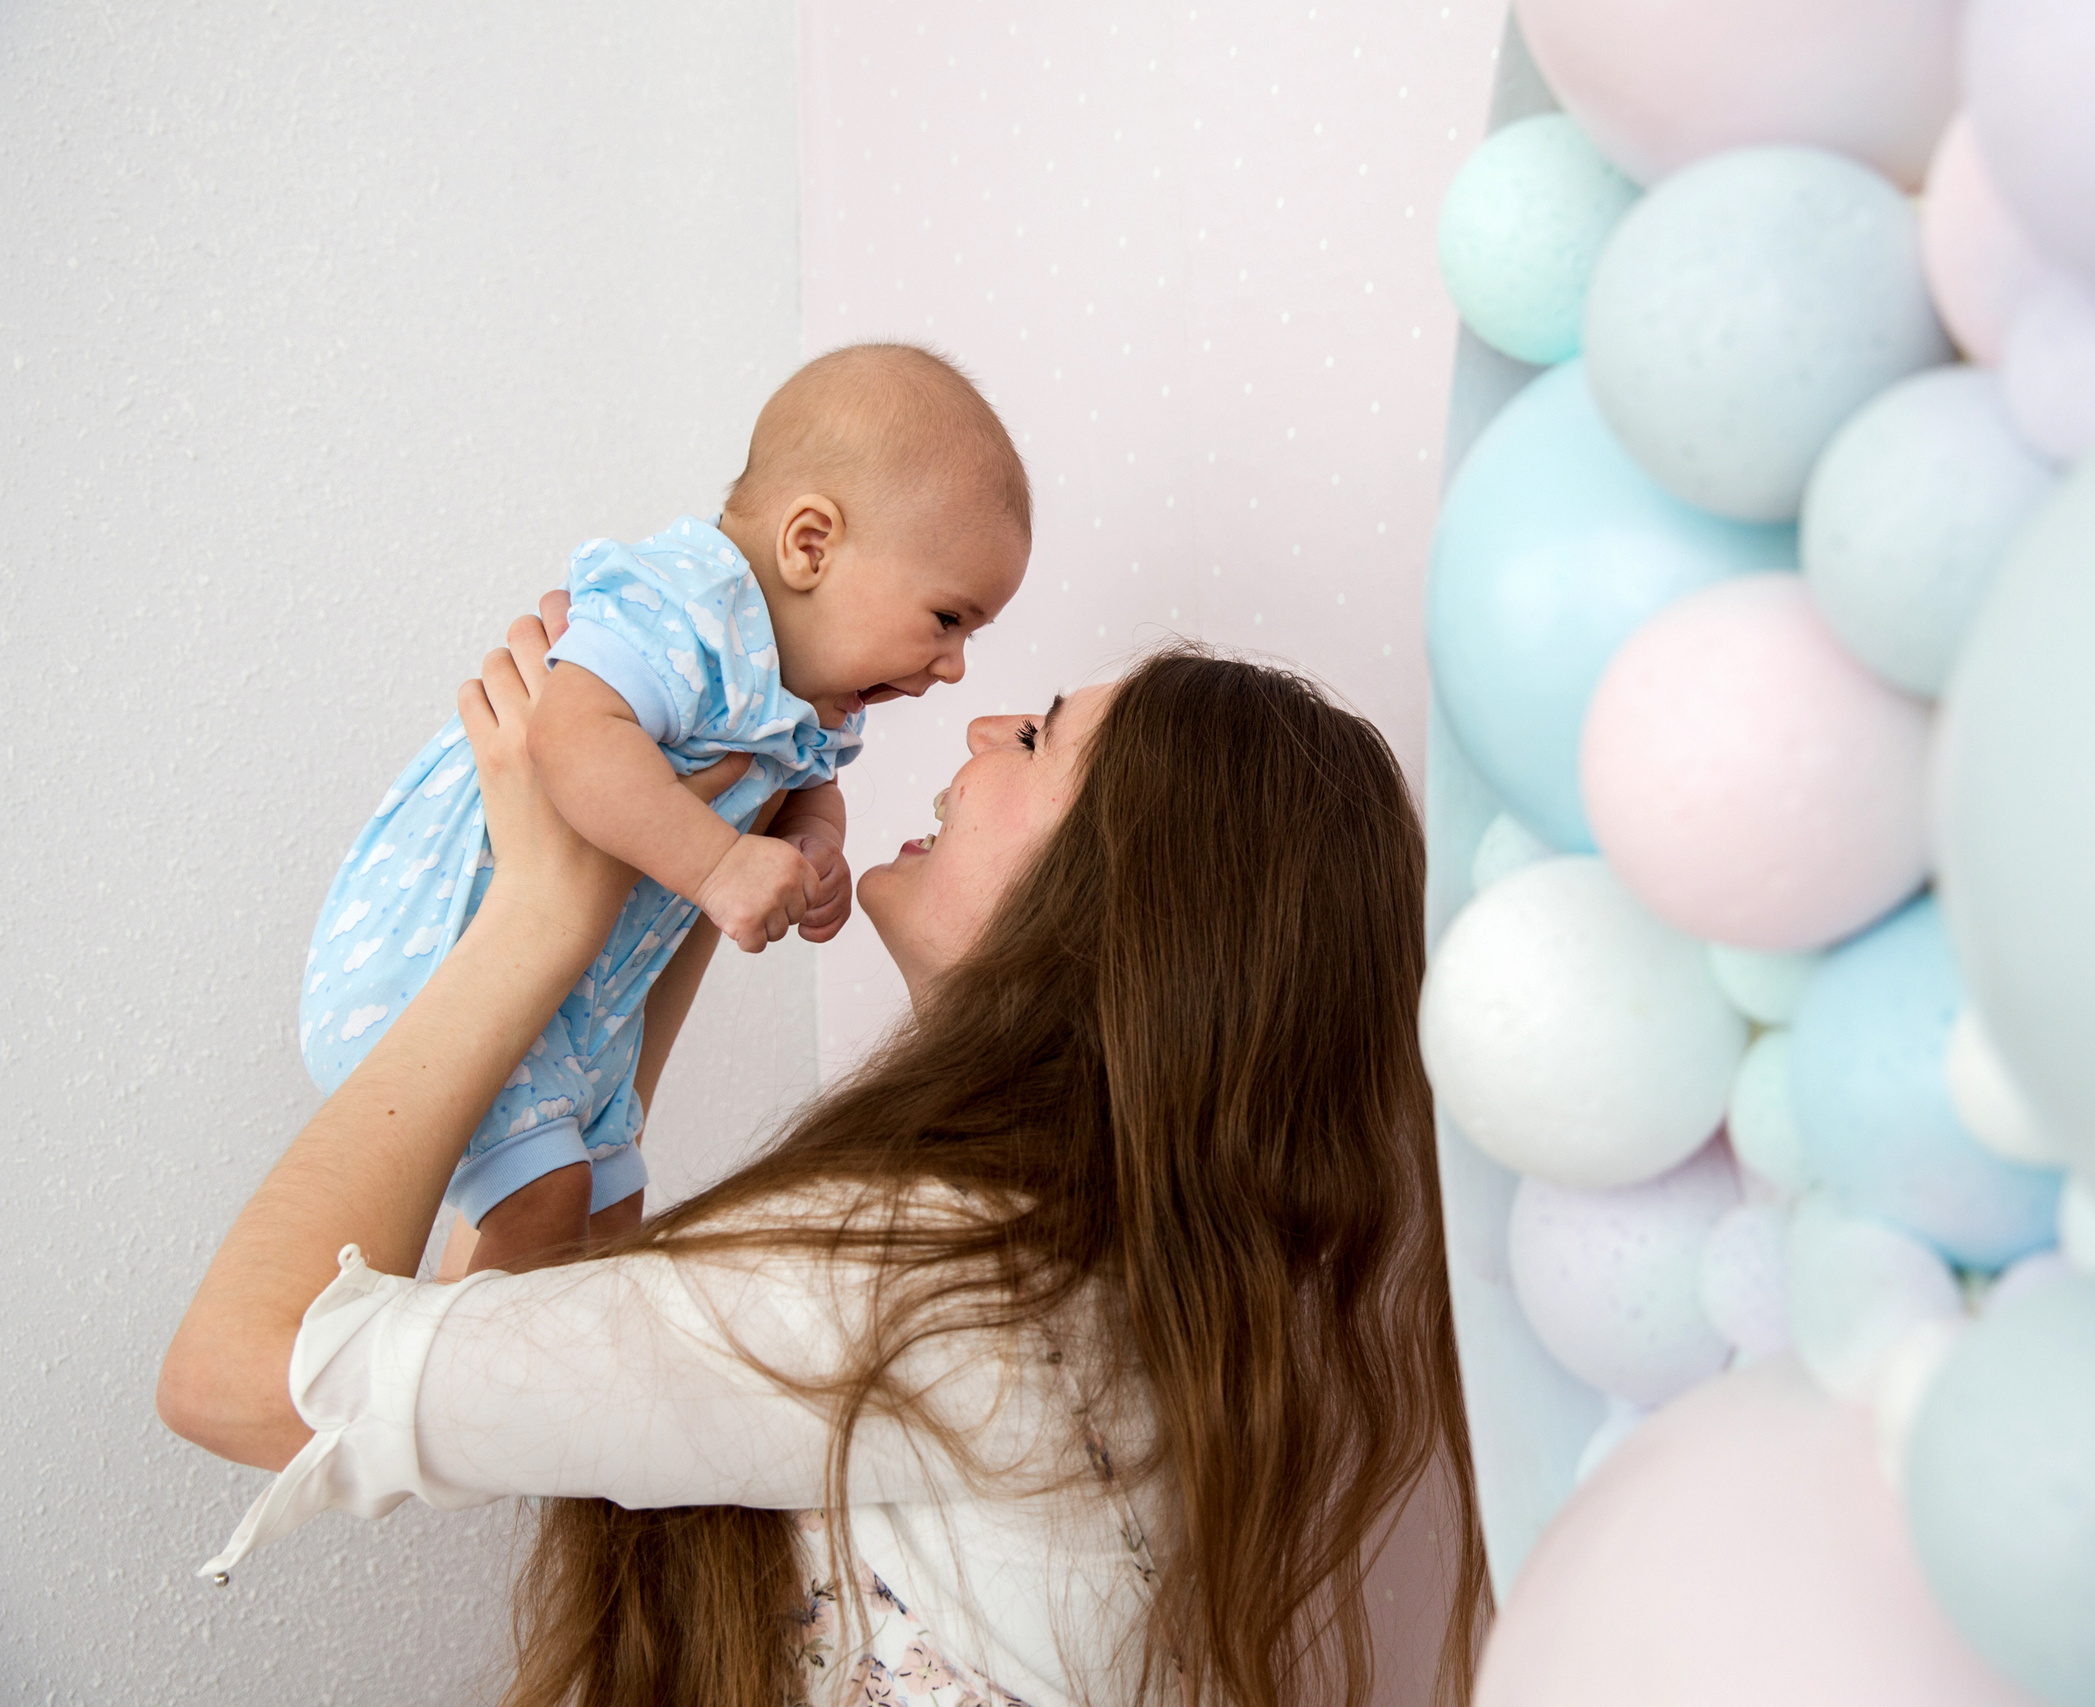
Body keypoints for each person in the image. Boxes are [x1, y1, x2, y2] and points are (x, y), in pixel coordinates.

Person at [159, 609, 1489, 1707]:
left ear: (1134, 899)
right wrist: (666, 890)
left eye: (1035, 735)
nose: (974, 722)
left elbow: (242, 1371)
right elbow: (553, 1312)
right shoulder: (1079, 1278)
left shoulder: (934, 1292)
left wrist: (534, 917)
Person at [299, 344, 1033, 1275]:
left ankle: (527, 1399)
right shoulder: (686, 604)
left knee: (615, 1217)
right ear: (810, 545)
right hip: (439, 960)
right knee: (544, 1207)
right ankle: (465, 1404)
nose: (955, 664)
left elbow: (808, 784)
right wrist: (721, 866)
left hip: (582, 1008)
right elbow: (570, 738)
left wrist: (815, 844)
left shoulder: (813, 696)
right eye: (947, 619)